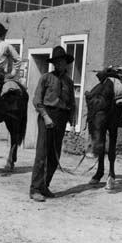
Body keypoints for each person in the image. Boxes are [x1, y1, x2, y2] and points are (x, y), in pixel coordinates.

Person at [29, 46, 76, 202]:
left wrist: (72, 119)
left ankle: (44, 185)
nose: (60, 64)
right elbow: (37, 100)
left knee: (55, 156)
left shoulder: (69, 81)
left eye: (62, 61)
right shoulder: (46, 78)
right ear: (54, 63)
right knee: (42, 154)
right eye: (57, 62)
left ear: (66, 63)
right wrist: (46, 116)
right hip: (47, 117)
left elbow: (72, 103)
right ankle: (35, 189)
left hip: (61, 118)